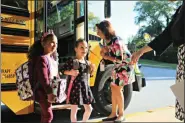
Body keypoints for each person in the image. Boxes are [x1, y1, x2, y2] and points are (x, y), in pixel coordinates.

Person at [131, 1, 185, 121]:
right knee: (182, 98)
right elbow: (166, 36)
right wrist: (141, 51)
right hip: (182, 58)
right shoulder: (180, 9)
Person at [96, 20, 134, 122]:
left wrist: (106, 56)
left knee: (117, 88)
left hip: (124, 67)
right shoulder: (110, 41)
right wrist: (105, 49)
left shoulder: (116, 41)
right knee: (113, 88)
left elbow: (119, 59)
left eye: (99, 31)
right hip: (118, 67)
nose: (97, 33)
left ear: (105, 30)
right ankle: (113, 113)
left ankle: (121, 114)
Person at [60, 39, 95, 122]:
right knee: (74, 110)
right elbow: (61, 71)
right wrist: (70, 72)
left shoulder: (87, 63)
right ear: (76, 49)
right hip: (75, 89)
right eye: (81, 47)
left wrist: (92, 70)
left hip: (85, 89)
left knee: (89, 109)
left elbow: (88, 76)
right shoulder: (73, 61)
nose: (84, 50)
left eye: (86, 48)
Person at [28, 31, 58, 123]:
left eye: (56, 43)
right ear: (43, 43)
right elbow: (43, 78)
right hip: (42, 91)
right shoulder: (42, 59)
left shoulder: (52, 59)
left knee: (45, 115)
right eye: (52, 42)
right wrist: (49, 93)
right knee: (48, 116)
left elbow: (55, 75)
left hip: (49, 90)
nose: (54, 45)